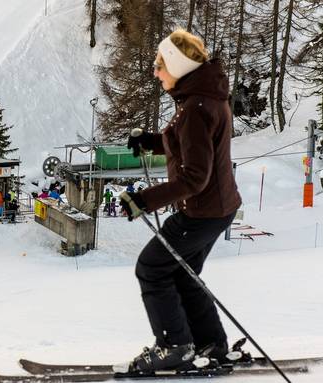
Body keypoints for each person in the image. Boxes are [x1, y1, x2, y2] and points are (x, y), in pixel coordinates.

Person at [118, 29, 242, 373]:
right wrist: (153, 141)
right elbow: (191, 146)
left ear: (176, 65)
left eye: (160, 65)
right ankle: (210, 342)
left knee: (152, 269)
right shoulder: (204, 98)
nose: (156, 72)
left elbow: (193, 177)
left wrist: (144, 199)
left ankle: (174, 346)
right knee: (183, 274)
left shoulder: (195, 108)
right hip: (216, 209)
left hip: (200, 213)